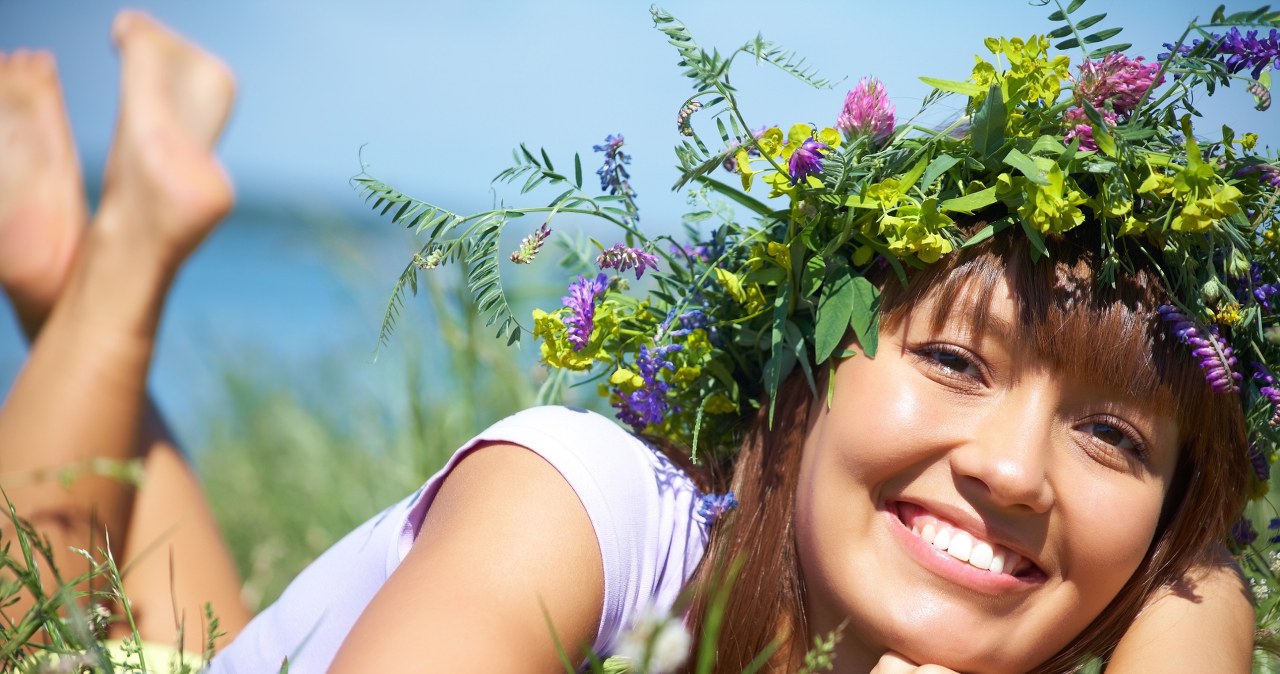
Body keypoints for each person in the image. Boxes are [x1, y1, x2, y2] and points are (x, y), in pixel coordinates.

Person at [0, 8, 1270, 674]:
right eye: (951, 359)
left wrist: (1199, 601)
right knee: (47, 605)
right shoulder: (586, 498)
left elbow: (1203, 585)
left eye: (1109, 433)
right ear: (801, 371)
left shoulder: (1108, 597)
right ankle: (116, 261)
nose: (1010, 467)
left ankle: (91, 269)